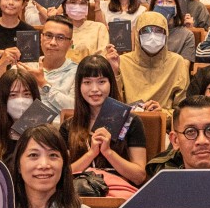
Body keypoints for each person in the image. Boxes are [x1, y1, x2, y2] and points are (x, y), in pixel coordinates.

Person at [63, 54, 149, 191]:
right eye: (87, 82)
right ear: (79, 86)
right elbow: (61, 175)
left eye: (101, 81)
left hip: (118, 194)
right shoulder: (68, 126)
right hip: (78, 196)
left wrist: (108, 152)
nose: (95, 89)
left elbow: (139, 176)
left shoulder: (131, 122)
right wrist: (91, 153)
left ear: (111, 83)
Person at [118, 9, 191, 111]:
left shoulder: (177, 62)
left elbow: (182, 110)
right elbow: (115, 103)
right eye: (146, 31)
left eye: (158, 31)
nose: (152, 36)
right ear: (137, 34)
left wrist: (163, 113)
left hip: (165, 123)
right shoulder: (122, 62)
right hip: (129, 123)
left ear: (166, 34)